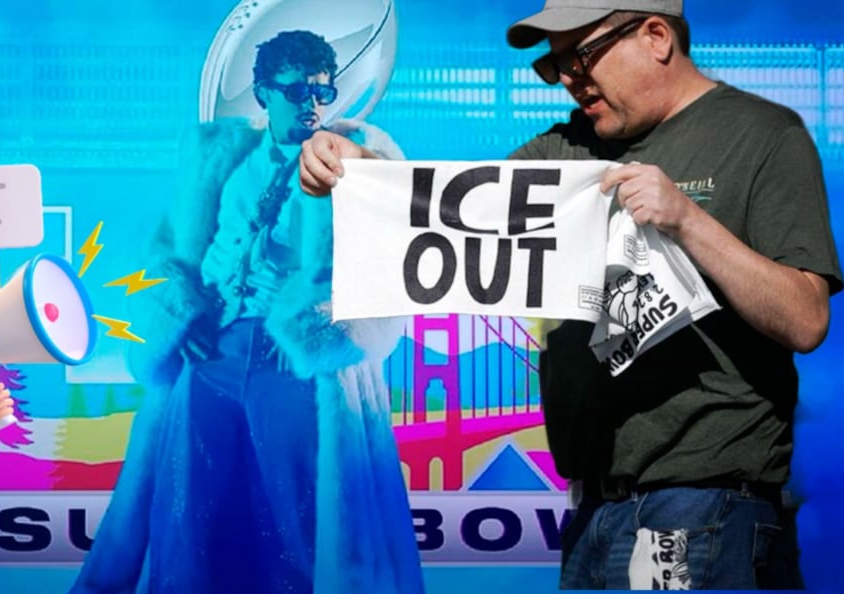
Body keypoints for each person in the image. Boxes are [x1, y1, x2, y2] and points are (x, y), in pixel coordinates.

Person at [298, 0, 841, 589]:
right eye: (554, 65)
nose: (567, 80)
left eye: (580, 56)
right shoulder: (565, 151)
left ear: (656, 37)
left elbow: (806, 318)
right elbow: (453, 215)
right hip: (591, 511)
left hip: (699, 508)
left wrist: (687, 220)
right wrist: (358, 170)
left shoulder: (761, 136)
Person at [69, 30, 425, 594]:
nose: (310, 105)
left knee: (299, 526)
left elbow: (401, 249)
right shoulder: (218, 157)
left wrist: (323, 327)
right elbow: (165, 256)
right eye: (294, 91)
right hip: (211, 356)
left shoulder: (357, 156)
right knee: (190, 523)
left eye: (321, 91)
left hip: (296, 365)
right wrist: (175, 312)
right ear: (263, 94)